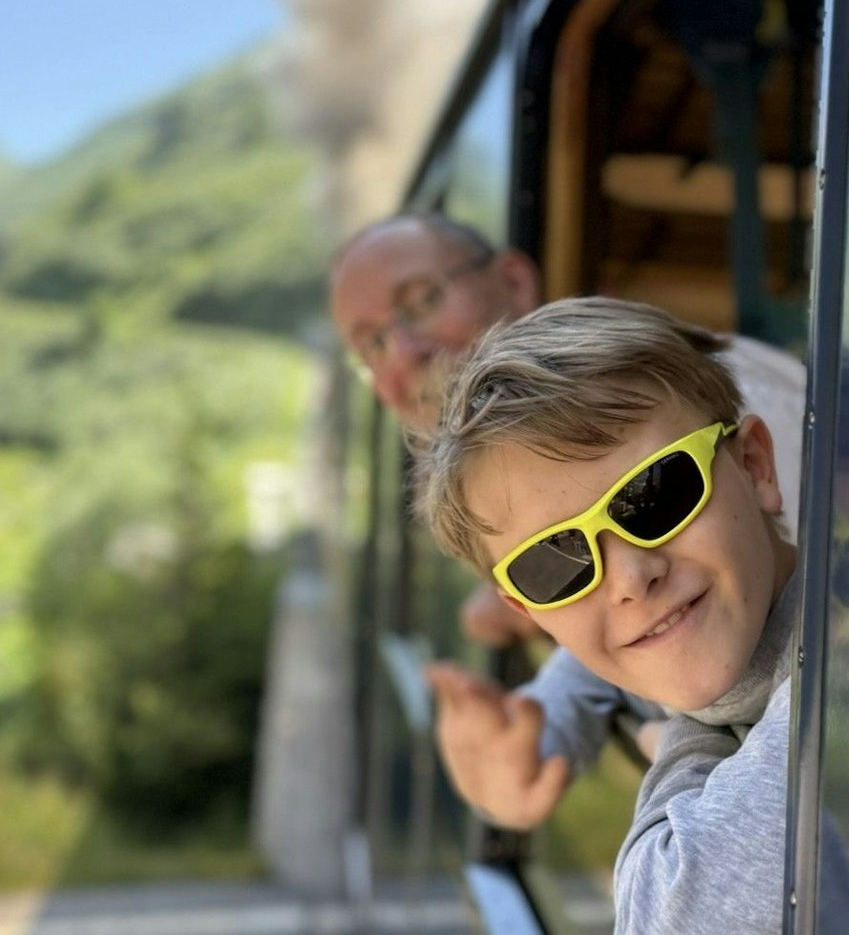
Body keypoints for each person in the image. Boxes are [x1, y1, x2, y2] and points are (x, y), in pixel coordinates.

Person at [412, 298, 849, 935]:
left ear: (755, 467)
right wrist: (555, 714)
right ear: (529, 608)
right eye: (558, 564)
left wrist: (677, 739)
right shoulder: (706, 651)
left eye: (656, 495)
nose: (629, 577)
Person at [329, 213, 805, 828]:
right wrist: (548, 721)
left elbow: (757, 593)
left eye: (421, 302)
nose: (407, 353)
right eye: (372, 345)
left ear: (515, 279)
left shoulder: (715, 397)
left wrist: (683, 752)